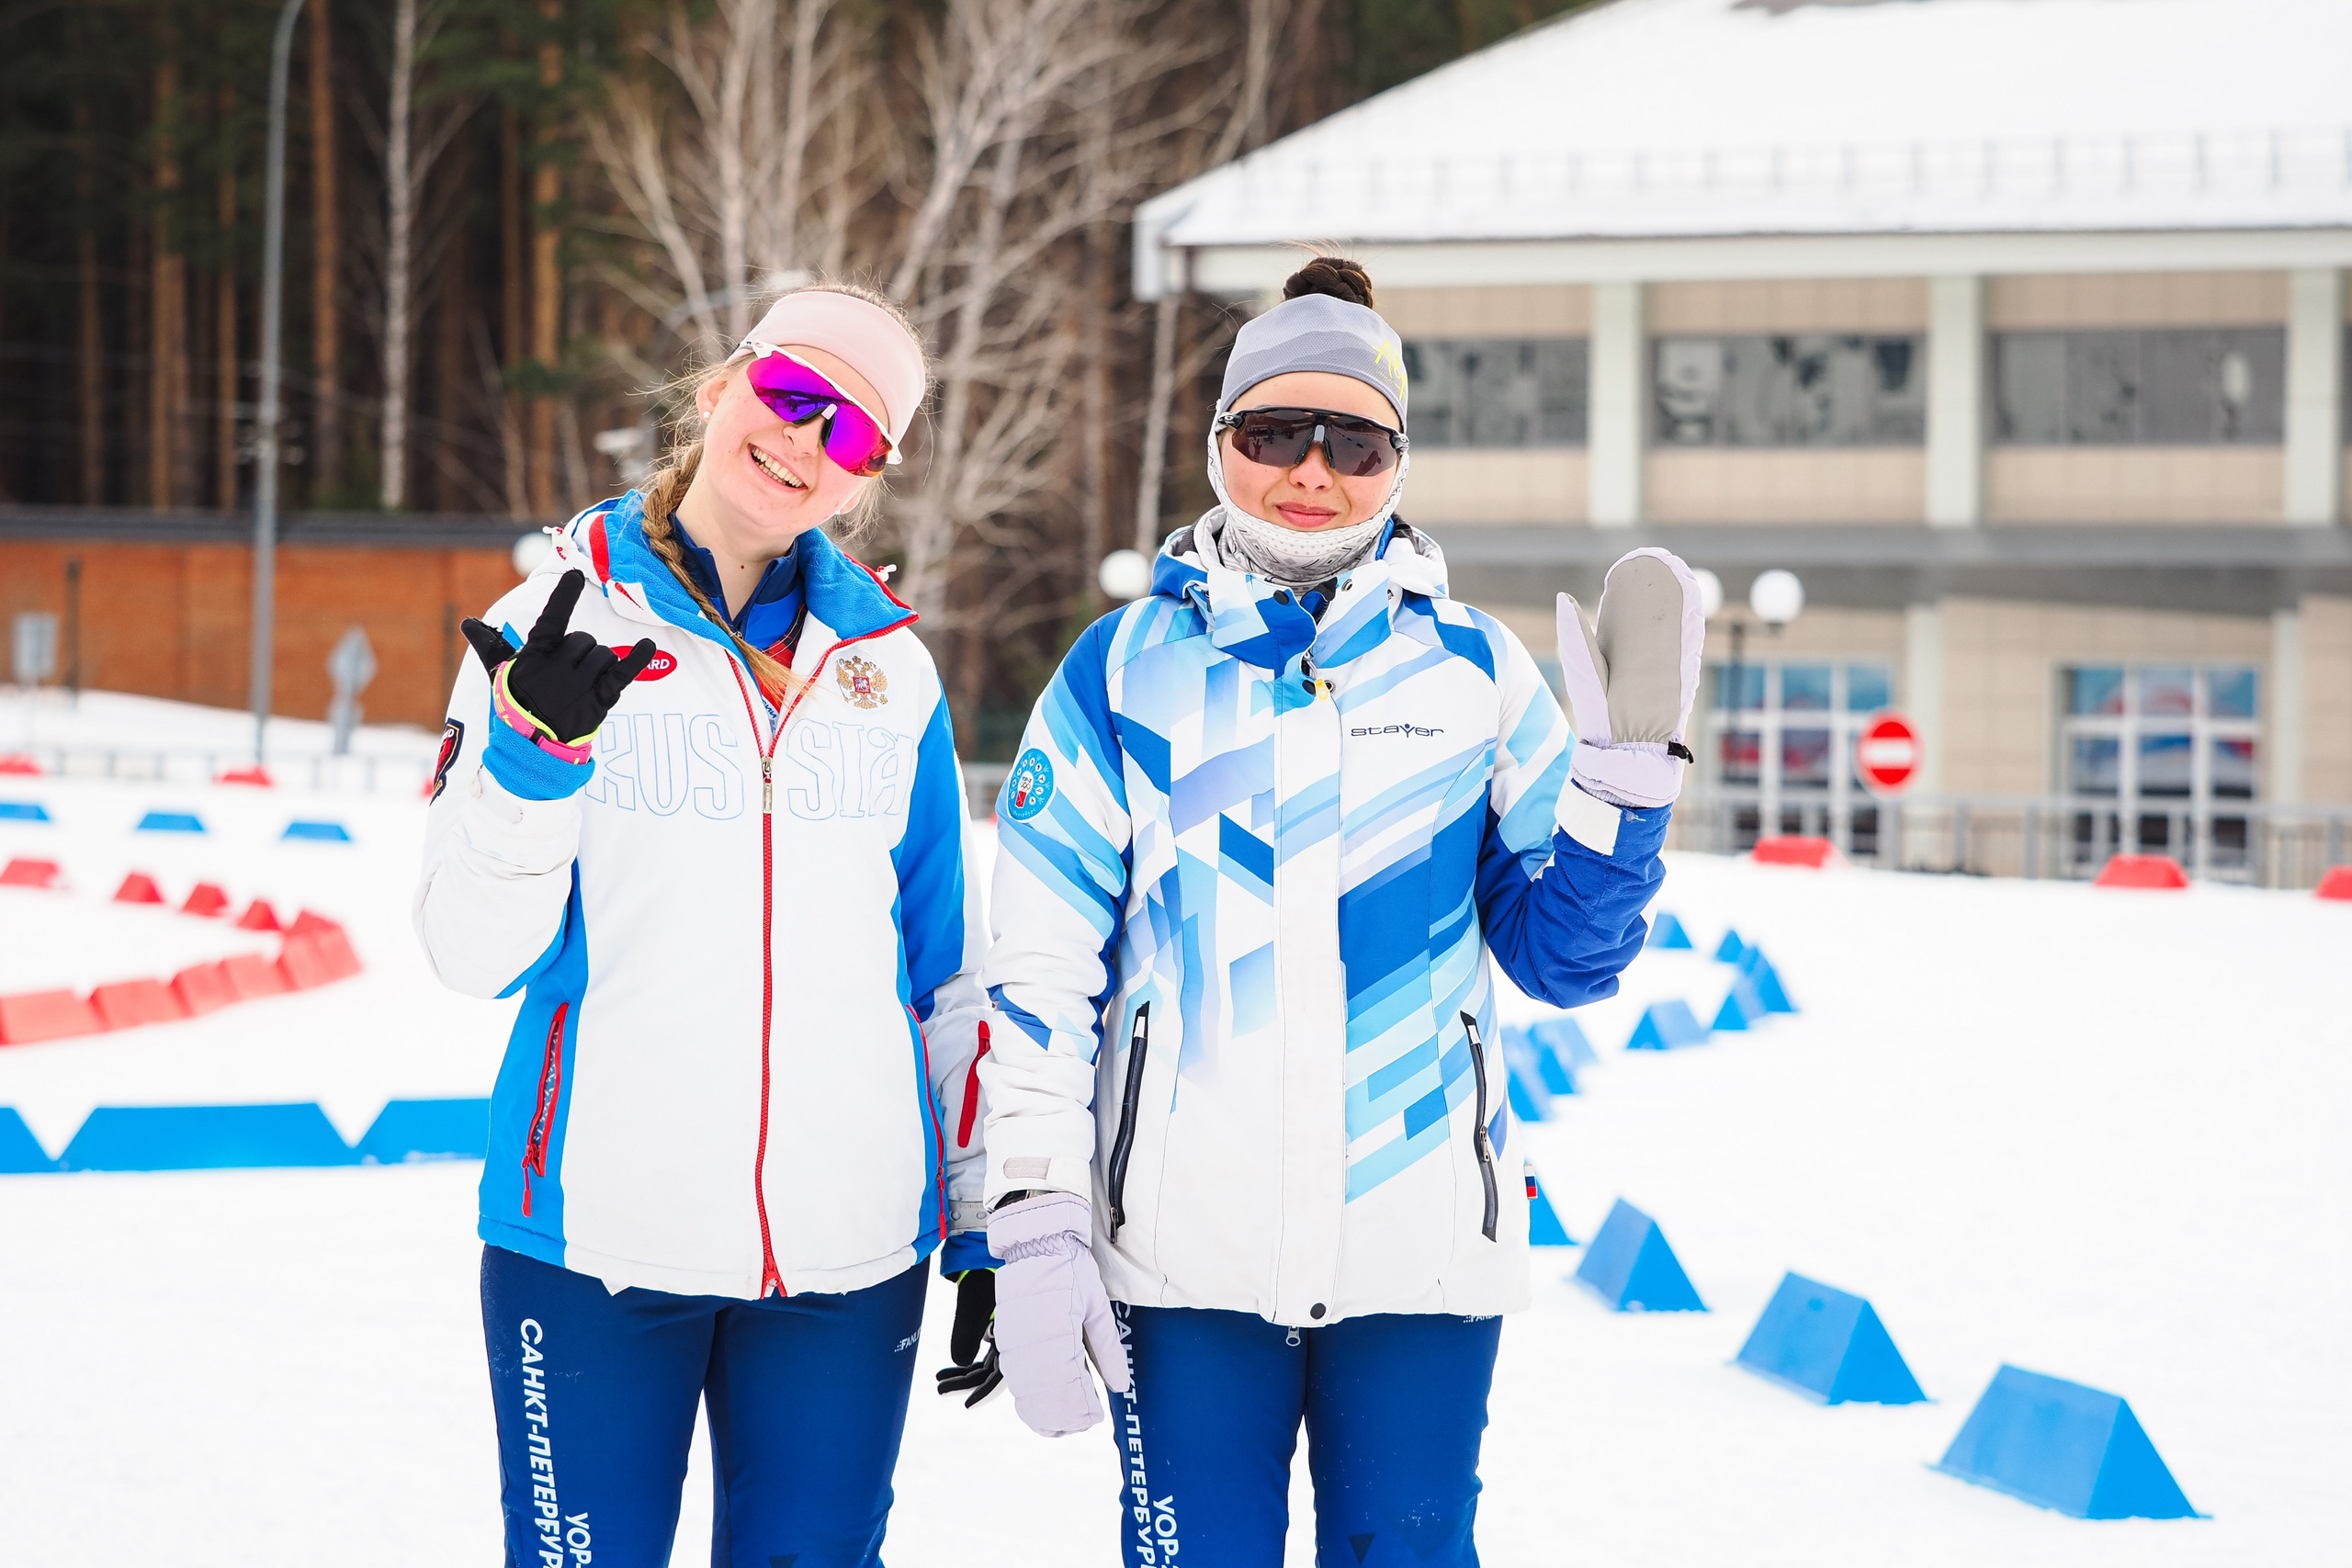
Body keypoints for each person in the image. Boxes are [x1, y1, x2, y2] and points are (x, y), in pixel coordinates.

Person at [966, 256, 1703, 1565]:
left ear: (1399, 464)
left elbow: (1566, 962)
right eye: (1274, 433)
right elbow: (1038, 968)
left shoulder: (1476, 670)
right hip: (1184, 1267)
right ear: (1218, 446)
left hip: (1417, 1261)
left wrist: (1619, 808)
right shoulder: (1123, 673)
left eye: (1354, 442)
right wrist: (1030, 1215)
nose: (1312, 469)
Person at [414, 284, 993, 1567]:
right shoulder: (547, 622)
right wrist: (531, 760)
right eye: (791, 398)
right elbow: (469, 950)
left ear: (869, 476)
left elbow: (945, 967)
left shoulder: (887, 669)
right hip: (593, 1243)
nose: (804, 444)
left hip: (849, 1261)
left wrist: (986, 1216)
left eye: (851, 436)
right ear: (724, 384)